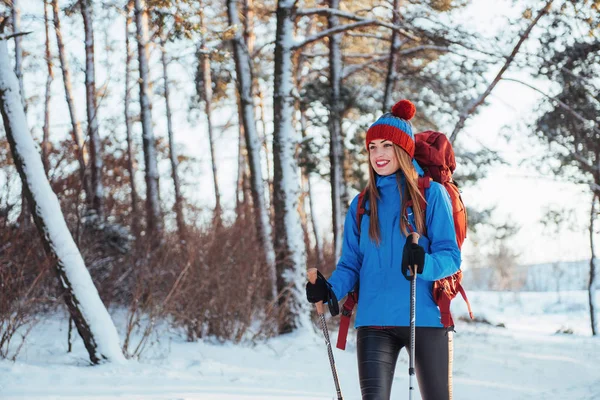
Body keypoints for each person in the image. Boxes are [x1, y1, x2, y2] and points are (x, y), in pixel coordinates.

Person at [305, 99, 461, 400]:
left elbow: (451, 256)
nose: (378, 154)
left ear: (402, 149)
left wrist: (424, 263)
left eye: (386, 145)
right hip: (373, 321)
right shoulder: (362, 204)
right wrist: (330, 290)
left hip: (425, 318)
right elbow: (351, 263)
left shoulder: (431, 195)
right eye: (372, 147)